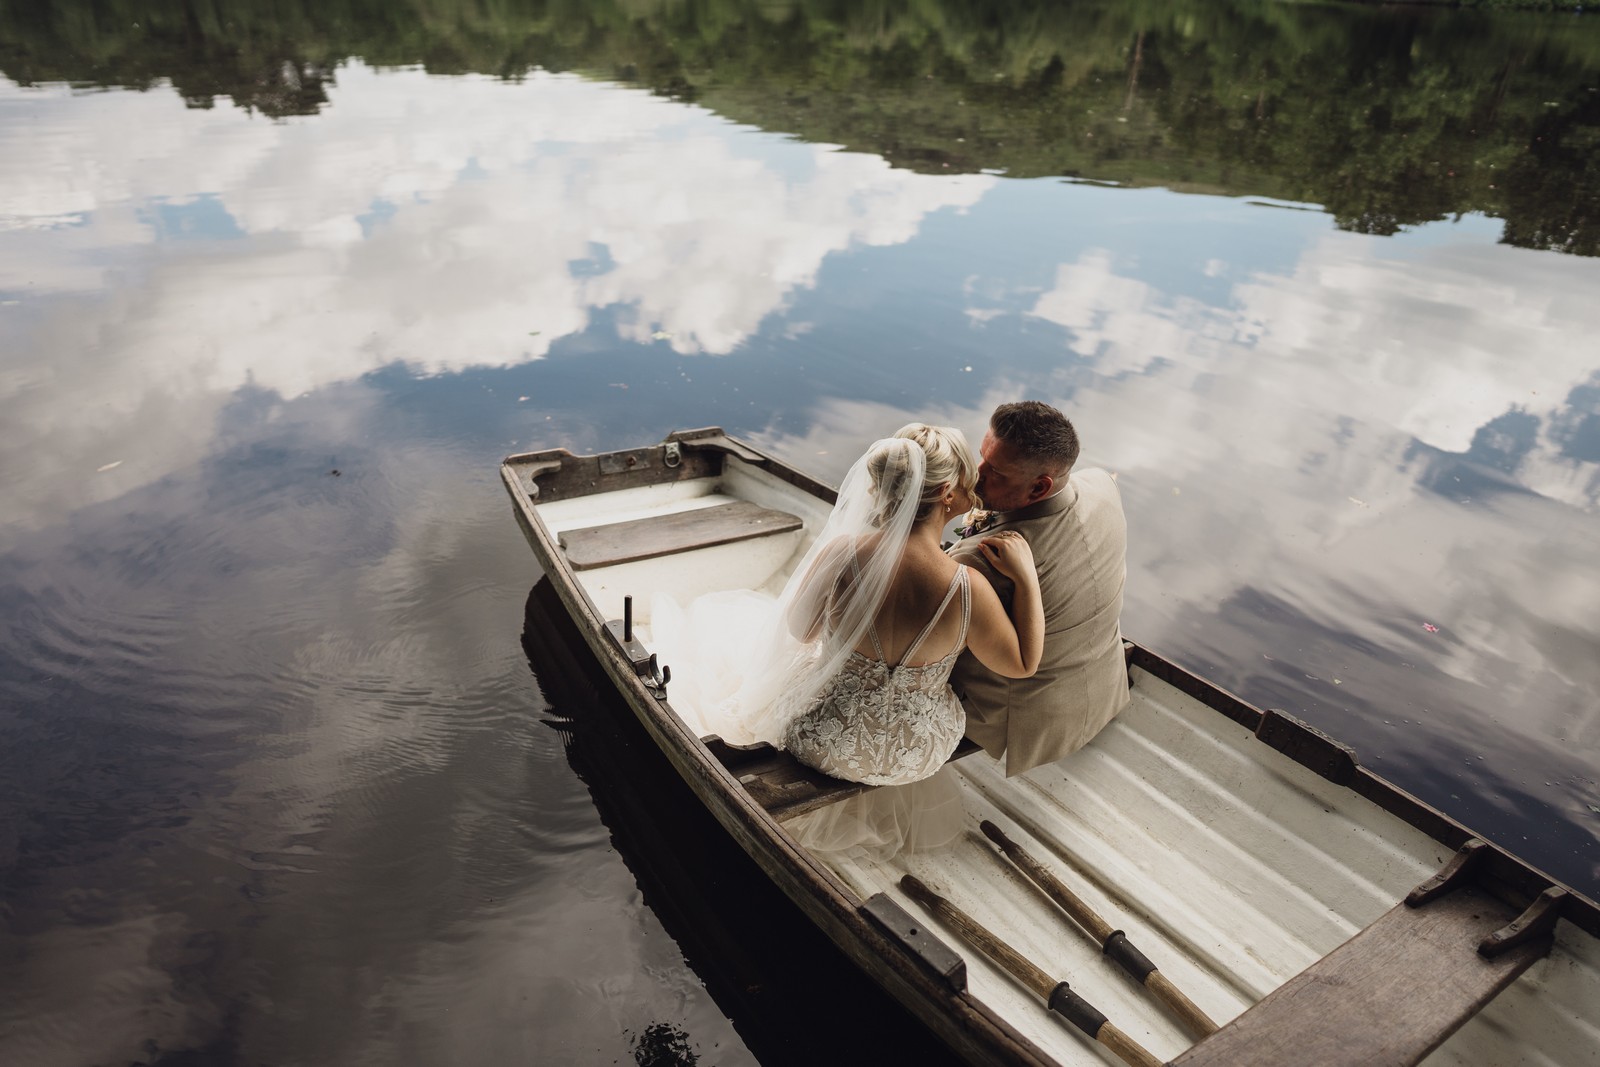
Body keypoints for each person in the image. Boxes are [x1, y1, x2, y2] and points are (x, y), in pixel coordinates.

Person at [777, 423, 1044, 787]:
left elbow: (799, 631)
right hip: (918, 753)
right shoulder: (968, 588)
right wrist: (1026, 577)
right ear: (946, 492)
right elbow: (1023, 665)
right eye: (968, 478)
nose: (975, 487)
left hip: (824, 742)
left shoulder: (841, 554)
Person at [947, 401, 1130, 777]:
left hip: (1020, 723)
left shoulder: (980, 559)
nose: (974, 476)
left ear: (1039, 487)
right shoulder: (1102, 486)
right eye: (981, 458)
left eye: (994, 471)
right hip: (1105, 687)